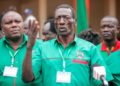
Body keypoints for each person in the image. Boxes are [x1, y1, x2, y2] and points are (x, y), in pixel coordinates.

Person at [22, 4, 113, 86]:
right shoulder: (42, 48)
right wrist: (29, 48)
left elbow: (103, 81)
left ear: (75, 22)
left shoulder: (90, 49)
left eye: (66, 17)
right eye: (58, 18)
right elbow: (27, 78)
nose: (61, 21)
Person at [0, 10, 42, 86]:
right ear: (2, 30)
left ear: (23, 26)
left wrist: (29, 48)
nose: (14, 25)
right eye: (9, 23)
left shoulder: (40, 46)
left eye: (17, 21)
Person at [97, 16, 120, 86]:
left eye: (110, 27)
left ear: (118, 29)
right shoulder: (94, 51)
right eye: (103, 27)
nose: (105, 29)